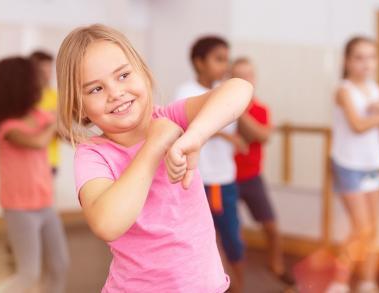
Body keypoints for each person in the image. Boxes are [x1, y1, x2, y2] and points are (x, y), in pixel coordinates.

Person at [56, 24, 252, 292]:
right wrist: (153, 146)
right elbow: (107, 223)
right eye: (95, 89)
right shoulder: (93, 154)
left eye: (123, 75)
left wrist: (195, 135)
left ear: (143, 74)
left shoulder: (171, 117)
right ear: (80, 107)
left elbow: (239, 89)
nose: (115, 92)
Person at [325, 36, 379, 293]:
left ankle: (367, 282)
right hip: (348, 165)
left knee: (372, 229)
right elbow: (358, 125)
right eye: (359, 57)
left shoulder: (377, 89)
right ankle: (339, 282)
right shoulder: (343, 90)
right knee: (361, 229)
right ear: (347, 61)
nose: (366, 63)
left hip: (373, 164)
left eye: (371, 57)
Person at [0, 57, 69, 293]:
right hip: (19, 210)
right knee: (28, 274)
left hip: (45, 203)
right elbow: (38, 141)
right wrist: (54, 122)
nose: (41, 82)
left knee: (59, 265)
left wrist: (62, 120)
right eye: (35, 78)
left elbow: (62, 131)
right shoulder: (7, 127)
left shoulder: (38, 115)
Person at [174, 36, 248, 292]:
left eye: (226, 59)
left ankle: (239, 286)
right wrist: (227, 135)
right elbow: (196, 126)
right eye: (218, 59)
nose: (225, 65)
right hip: (201, 181)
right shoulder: (186, 93)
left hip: (224, 178)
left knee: (232, 242)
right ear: (199, 62)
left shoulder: (226, 91)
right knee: (207, 244)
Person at [231, 57, 295, 286]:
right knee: (231, 234)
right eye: (238, 75)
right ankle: (229, 277)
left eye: (248, 75)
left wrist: (238, 111)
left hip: (252, 178)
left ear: (254, 78)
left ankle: (275, 266)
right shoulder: (221, 107)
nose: (244, 79)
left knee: (272, 228)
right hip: (227, 180)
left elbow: (262, 136)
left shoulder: (260, 109)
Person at [30, 50, 60, 174]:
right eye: (42, 71)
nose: (47, 75)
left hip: (50, 161)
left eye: (49, 70)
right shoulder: (26, 98)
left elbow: (62, 130)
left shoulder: (57, 97)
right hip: (29, 160)